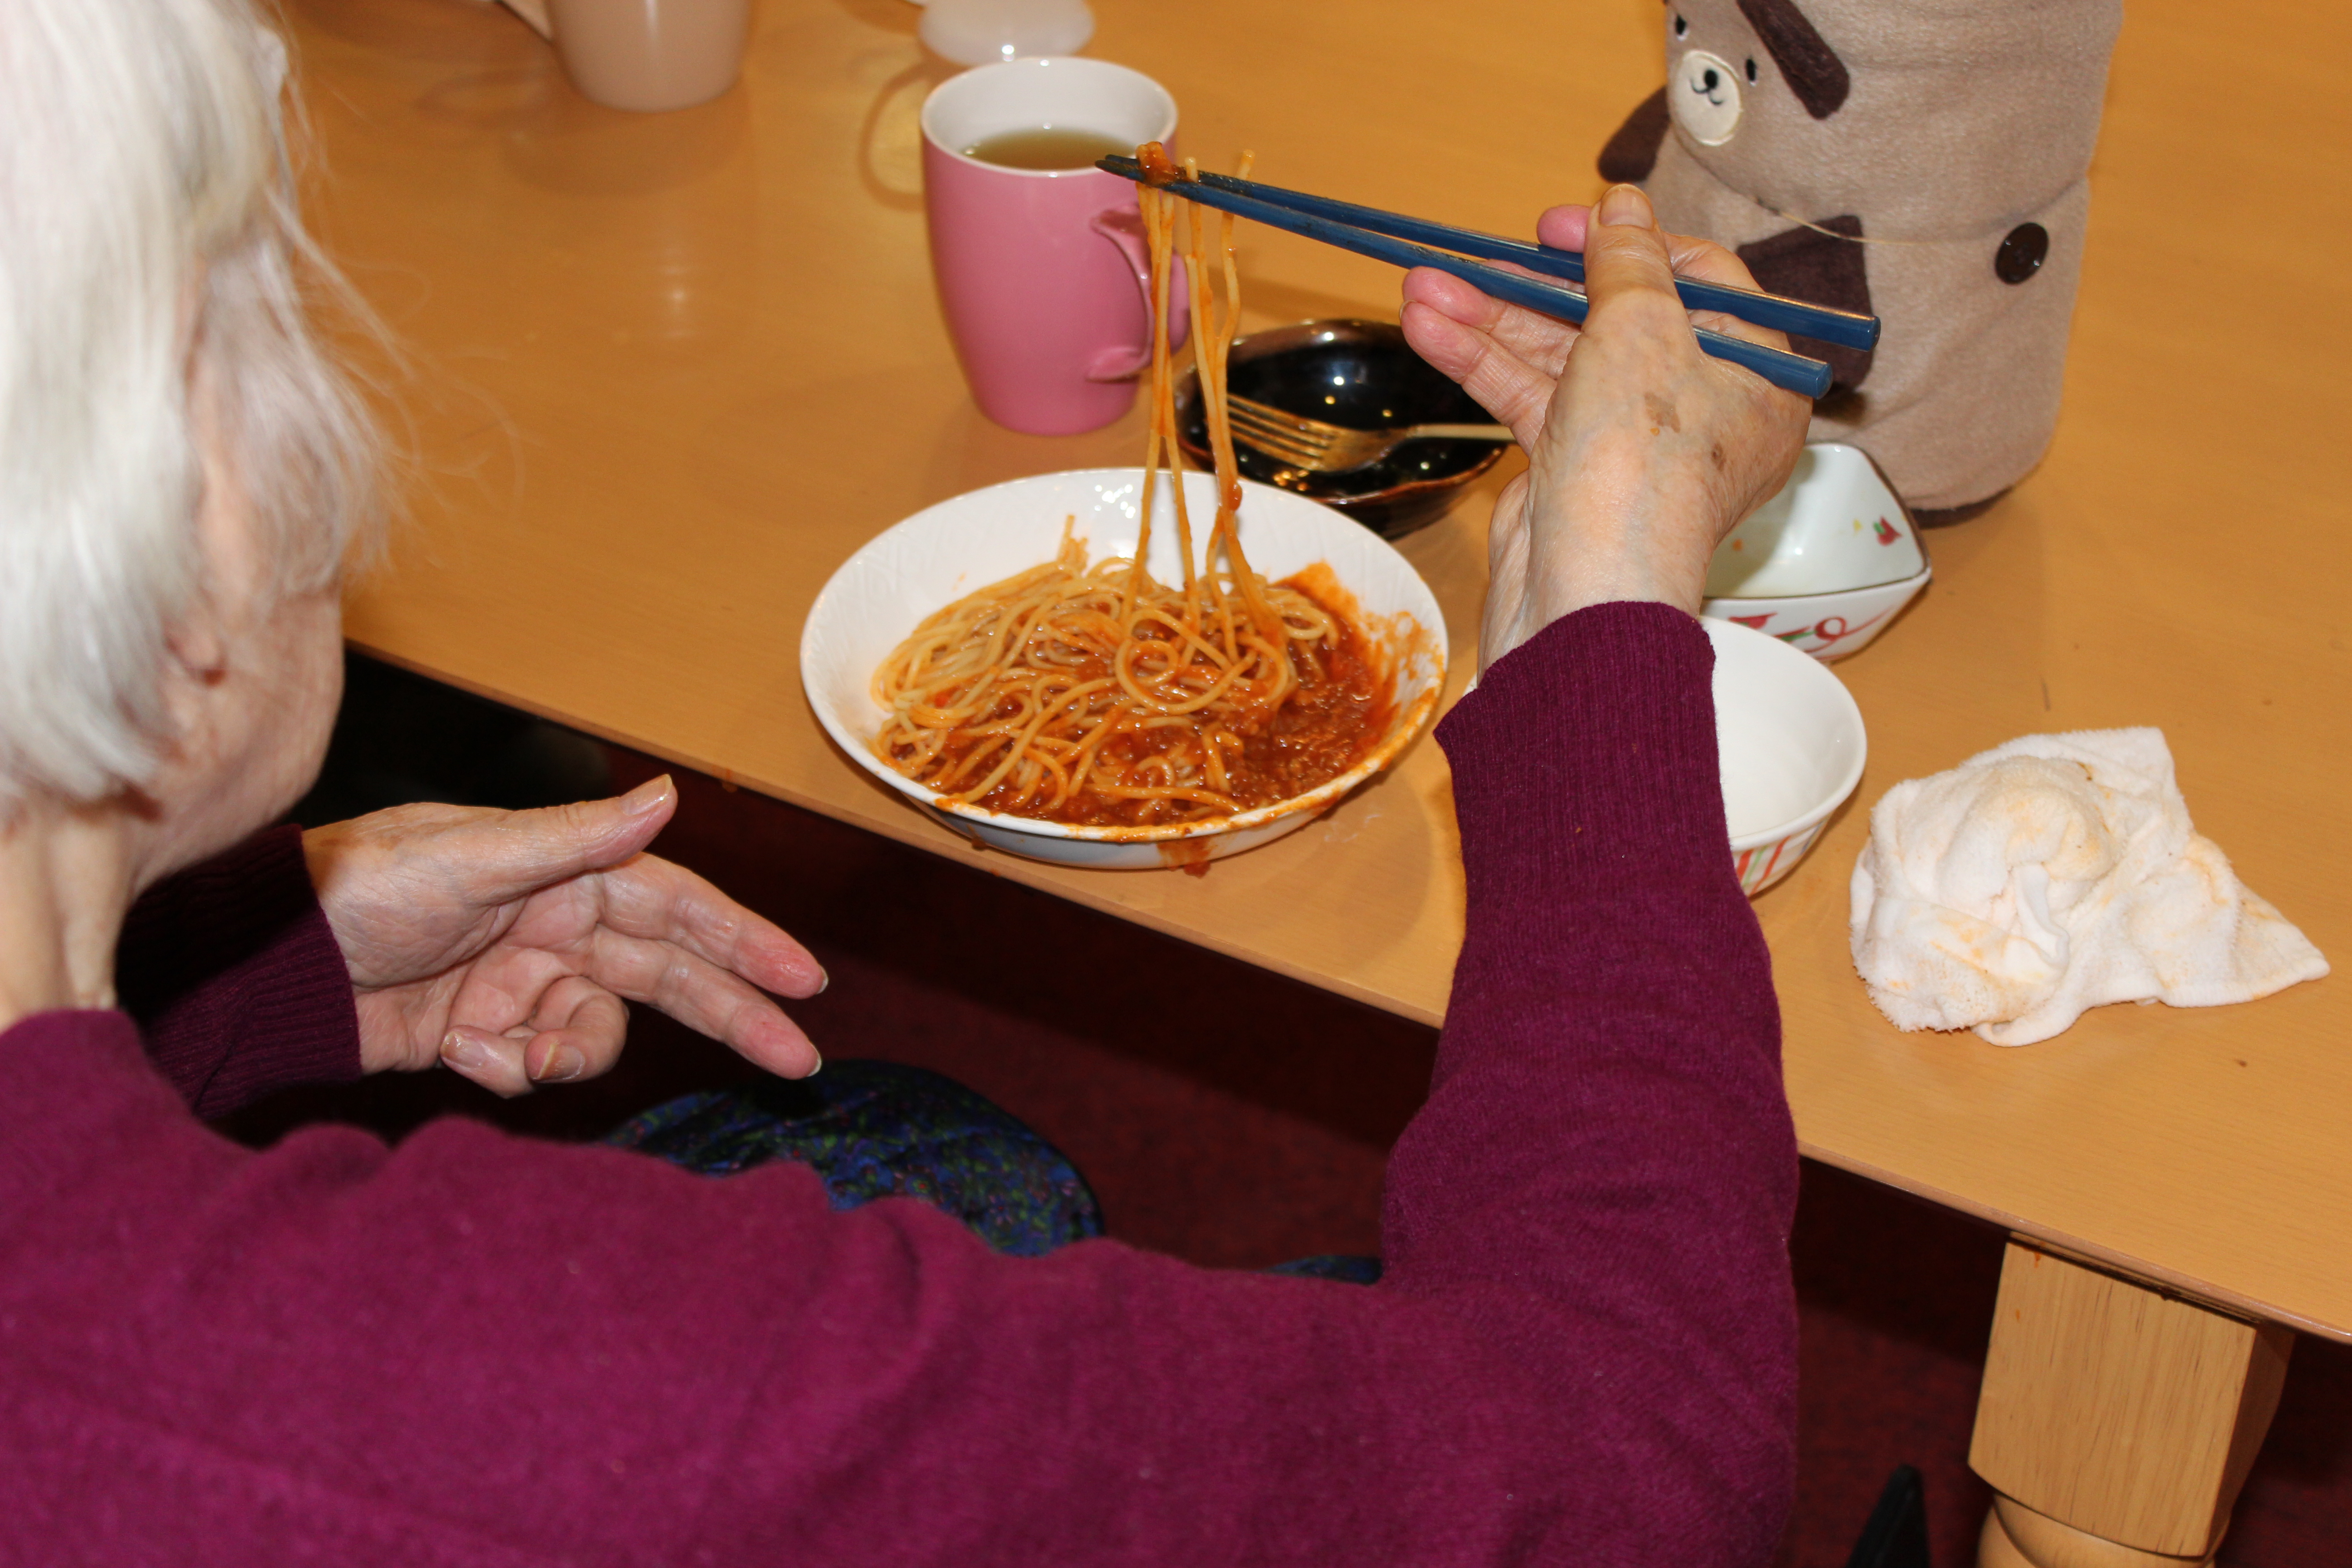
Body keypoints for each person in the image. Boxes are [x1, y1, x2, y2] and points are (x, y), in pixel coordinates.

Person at [0, 0, 1810, 1562]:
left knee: (947, 1158)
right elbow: (1623, 1464)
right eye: (256, 296)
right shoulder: (521, 1386)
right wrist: (1601, 607)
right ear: (140, 503)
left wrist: (245, 1000)